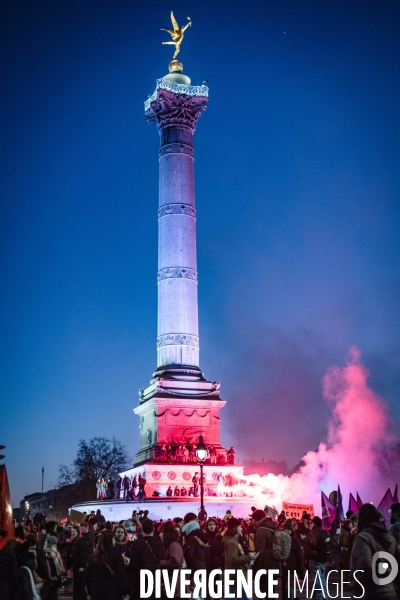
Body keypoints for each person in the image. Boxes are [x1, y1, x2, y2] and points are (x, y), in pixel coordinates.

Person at [350, 503, 400, 600]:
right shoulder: (389, 537)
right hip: (390, 592)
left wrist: (355, 587)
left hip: (371, 593)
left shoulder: (363, 538)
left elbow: (364, 565)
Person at [86, 531, 129, 600]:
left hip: (97, 590)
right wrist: (125, 589)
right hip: (112, 590)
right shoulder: (116, 554)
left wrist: (90, 589)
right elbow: (121, 573)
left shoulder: (95, 555)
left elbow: (89, 574)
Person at [128, 519, 163, 600]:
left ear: (142, 529)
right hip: (155, 577)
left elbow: (134, 565)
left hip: (141, 579)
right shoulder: (160, 544)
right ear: (153, 529)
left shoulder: (137, 544)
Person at [223, 517, 251, 598]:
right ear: (235, 528)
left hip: (235, 576)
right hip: (237, 576)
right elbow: (233, 560)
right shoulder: (232, 542)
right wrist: (249, 557)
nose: (242, 528)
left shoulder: (234, 541)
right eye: (240, 526)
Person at [280, 520, 305, 599]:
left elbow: (300, 557)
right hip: (286, 568)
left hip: (290, 568)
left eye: (285, 529)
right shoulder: (284, 540)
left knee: (288, 588)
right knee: (285, 587)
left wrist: (302, 573)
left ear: (288, 530)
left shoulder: (294, 541)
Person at [159, 521, 184, 597]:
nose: (160, 534)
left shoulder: (173, 545)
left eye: (162, 532)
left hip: (174, 581)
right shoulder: (173, 544)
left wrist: (161, 562)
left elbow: (175, 561)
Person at [66, 525, 91, 600]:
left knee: (80, 586)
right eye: (72, 532)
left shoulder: (82, 542)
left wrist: (83, 566)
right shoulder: (73, 542)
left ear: (78, 532)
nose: (72, 533)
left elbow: (85, 555)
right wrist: (69, 565)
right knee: (76, 586)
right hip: (75, 566)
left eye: (74, 532)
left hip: (80, 567)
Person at [306, 517, 327, 600]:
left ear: (314, 523)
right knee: (322, 578)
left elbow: (312, 544)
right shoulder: (323, 532)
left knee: (317, 579)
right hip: (323, 558)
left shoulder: (313, 533)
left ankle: (319, 597)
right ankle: (324, 596)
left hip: (315, 558)